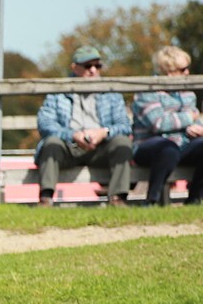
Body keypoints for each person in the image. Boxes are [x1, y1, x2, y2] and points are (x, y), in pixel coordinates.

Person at [35, 45, 131, 207]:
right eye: (88, 66)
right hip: (68, 148)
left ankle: (117, 199)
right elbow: (45, 124)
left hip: (101, 148)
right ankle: (46, 199)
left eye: (97, 65)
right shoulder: (58, 92)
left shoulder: (111, 92)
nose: (93, 70)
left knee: (122, 142)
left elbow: (125, 125)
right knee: (51, 143)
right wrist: (72, 135)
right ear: (75, 68)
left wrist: (103, 132)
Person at [131, 46, 203, 205]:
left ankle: (194, 200)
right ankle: (152, 201)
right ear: (170, 72)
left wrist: (196, 127)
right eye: (183, 69)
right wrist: (188, 119)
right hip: (149, 147)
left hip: (182, 145)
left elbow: (196, 117)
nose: (187, 73)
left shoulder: (187, 93)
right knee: (167, 149)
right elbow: (159, 123)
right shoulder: (147, 91)